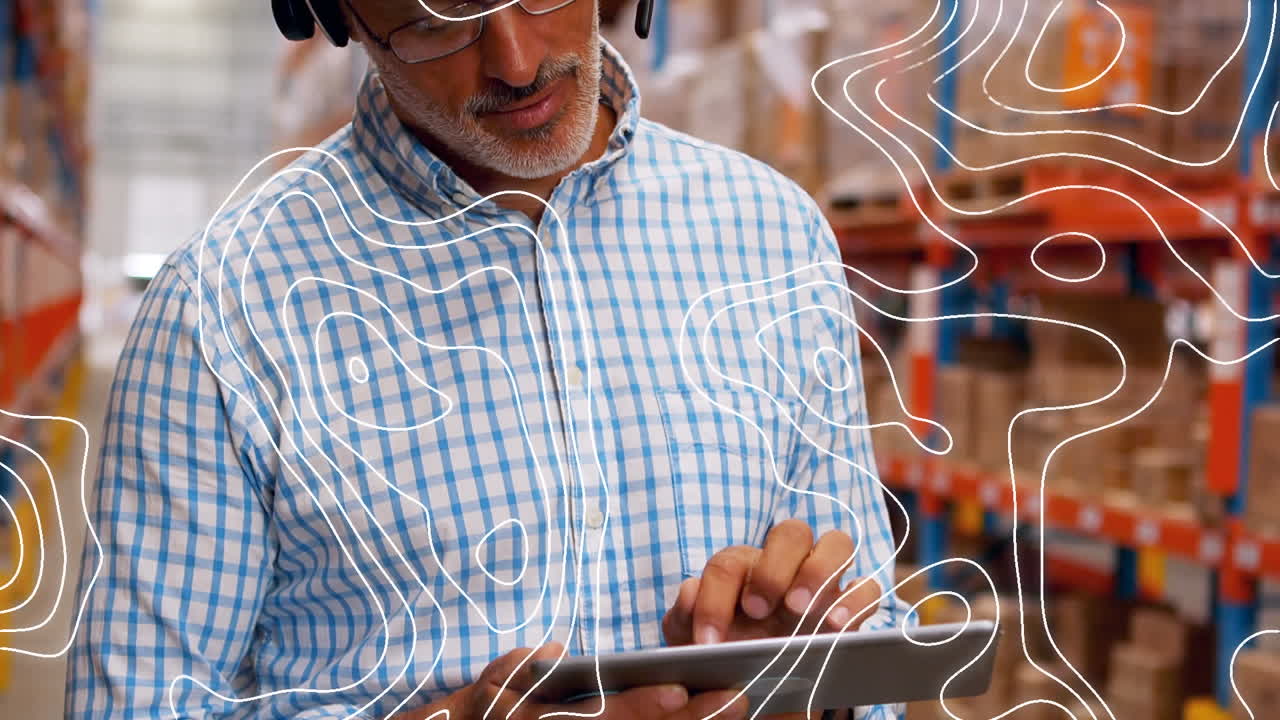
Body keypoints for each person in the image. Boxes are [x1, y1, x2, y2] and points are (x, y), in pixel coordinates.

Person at [66, 1, 910, 718]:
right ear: (339, 14)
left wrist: (812, 673)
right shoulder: (220, 308)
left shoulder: (772, 233)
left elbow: (876, 664)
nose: (516, 59)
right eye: (439, 18)